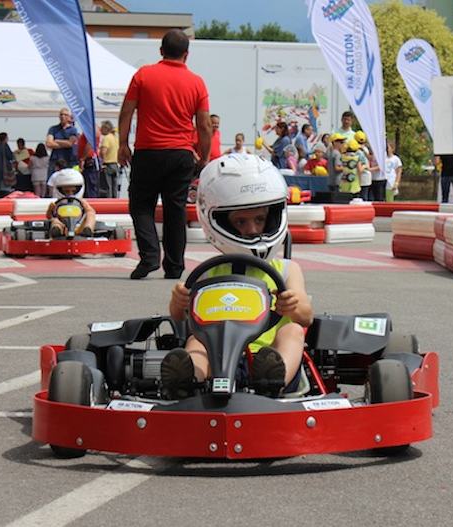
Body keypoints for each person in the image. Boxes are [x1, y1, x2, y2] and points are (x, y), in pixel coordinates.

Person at [164, 154, 313, 399]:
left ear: (273, 217)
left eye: (259, 219)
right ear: (220, 222)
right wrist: (178, 302)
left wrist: (293, 306)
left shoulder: (287, 269)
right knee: (195, 342)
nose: (252, 229)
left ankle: (275, 379)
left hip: (267, 356)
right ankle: (189, 379)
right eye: (241, 222)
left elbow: (307, 318)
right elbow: (180, 319)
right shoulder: (207, 272)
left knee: (293, 331)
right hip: (216, 354)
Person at [118, 29, 211, 280]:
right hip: (181, 153)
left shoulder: (143, 75)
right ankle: (174, 266)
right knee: (175, 209)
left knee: (141, 205)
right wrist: (204, 156)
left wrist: (123, 144)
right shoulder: (196, 82)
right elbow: (203, 124)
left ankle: (149, 257)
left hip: (148, 151)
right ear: (186, 54)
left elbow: (126, 112)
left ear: (161, 51)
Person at [46, 169, 96, 239]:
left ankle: (88, 229)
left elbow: (90, 211)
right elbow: (49, 216)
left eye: (73, 191)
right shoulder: (57, 203)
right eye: (66, 191)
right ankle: (56, 230)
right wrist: (51, 212)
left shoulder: (82, 202)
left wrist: (88, 213)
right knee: (55, 220)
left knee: (91, 214)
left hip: (79, 227)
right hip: (62, 227)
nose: (70, 194)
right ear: (60, 190)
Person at [99, 121, 120, 198]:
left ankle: (108, 204)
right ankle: (115, 203)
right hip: (115, 164)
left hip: (108, 164)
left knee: (107, 187)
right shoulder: (115, 138)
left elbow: (103, 151)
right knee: (114, 187)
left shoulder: (107, 138)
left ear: (105, 128)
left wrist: (102, 162)